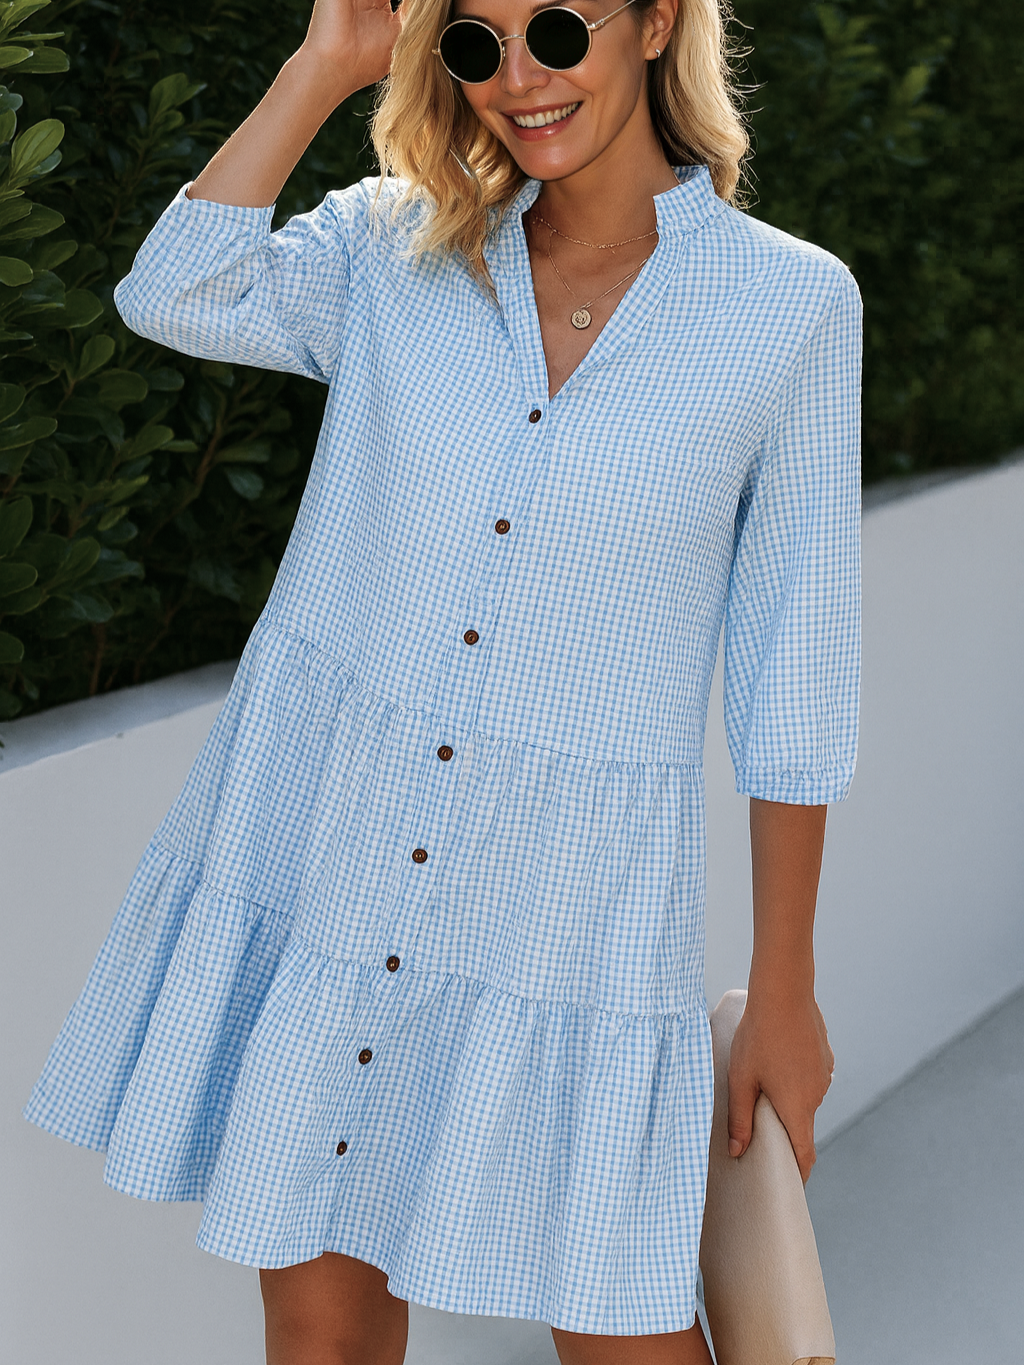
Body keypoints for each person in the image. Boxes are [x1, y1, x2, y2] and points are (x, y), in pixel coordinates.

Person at [23, 0, 860, 1358]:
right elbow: (173, 289)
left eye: (556, 30)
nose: (518, 78)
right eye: (475, 44)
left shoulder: (790, 307)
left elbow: (795, 681)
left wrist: (785, 987)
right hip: (344, 875)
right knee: (323, 1331)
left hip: (572, 918)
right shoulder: (390, 246)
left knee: (625, 1333)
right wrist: (328, 64)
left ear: (657, 22)